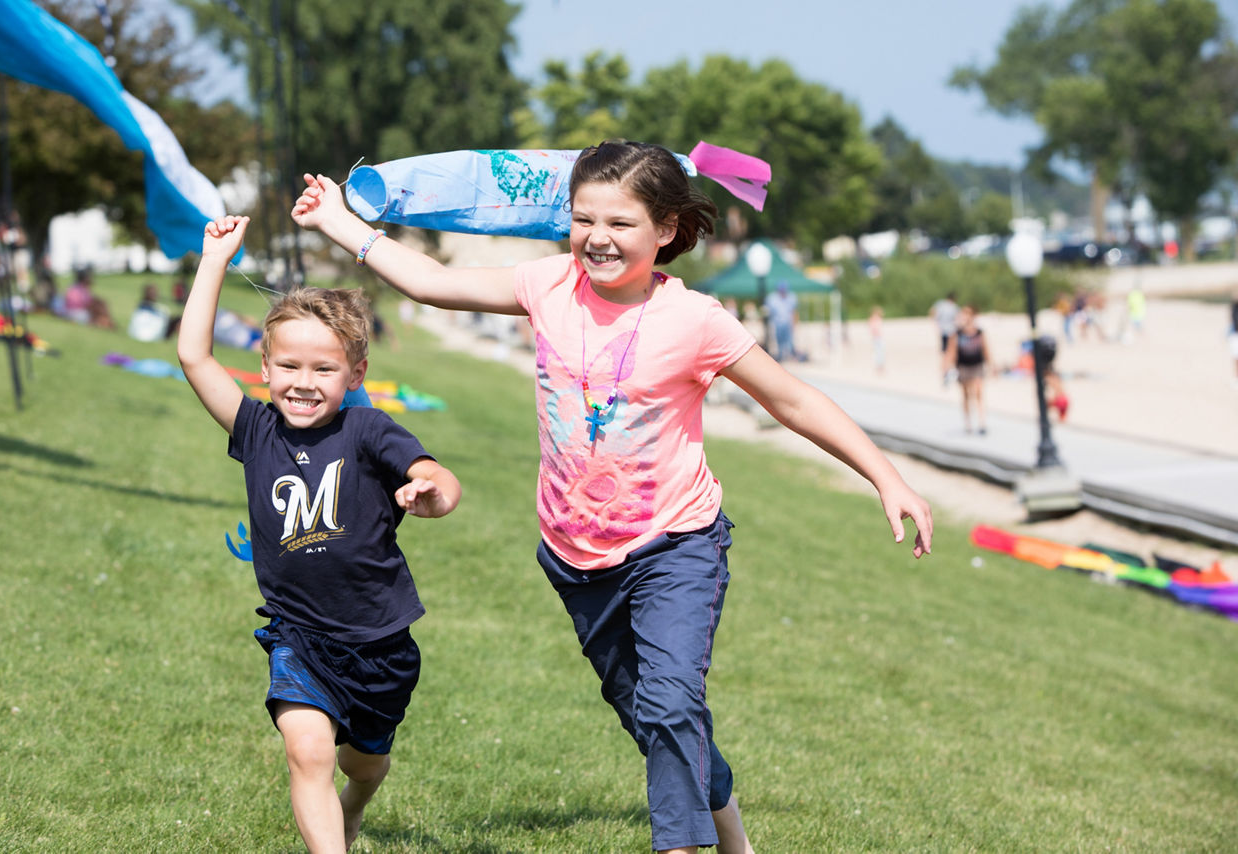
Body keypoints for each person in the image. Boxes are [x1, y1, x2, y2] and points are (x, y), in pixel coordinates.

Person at [291, 140, 933, 854]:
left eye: (620, 223)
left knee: (669, 705)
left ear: (664, 229)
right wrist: (340, 224)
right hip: (576, 559)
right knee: (653, 717)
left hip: (675, 545)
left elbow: (793, 401)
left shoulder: (696, 321)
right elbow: (433, 282)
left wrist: (886, 474)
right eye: (582, 219)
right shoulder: (549, 285)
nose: (596, 238)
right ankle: (737, 841)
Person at [176, 215, 462, 854]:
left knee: (363, 765)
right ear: (266, 365)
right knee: (307, 753)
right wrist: (214, 260)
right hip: (299, 636)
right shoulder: (255, 431)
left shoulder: (369, 431)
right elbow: (193, 355)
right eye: (290, 365)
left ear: (355, 373)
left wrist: (431, 494)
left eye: (324, 369)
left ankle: (356, 805)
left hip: (379, 642)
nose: (304, 381)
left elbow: (436, 474)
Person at [943, 304, 991, 435]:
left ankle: (982, 421)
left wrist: (991, 365)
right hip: (963, 366)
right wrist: (946, 368)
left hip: (977, 365)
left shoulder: (979, 332)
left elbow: (985, 349)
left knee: (978, 391)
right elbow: (951, 351)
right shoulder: (957, 333)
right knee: (966, 394)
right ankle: (968, 422)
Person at [764, 280, 800, 362]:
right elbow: (768, 312)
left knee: (789, 341)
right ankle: (781, 356)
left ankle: (789, 356)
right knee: (779, 341)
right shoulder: (772, 298)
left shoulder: (791, 297)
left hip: (788, 323)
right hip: (777, 323)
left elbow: (794, 312)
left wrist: (795, 324)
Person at [868, 304, 885, 374]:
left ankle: (879, 366)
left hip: (877, 337)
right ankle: (879, 366)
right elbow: (873, 328)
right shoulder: (874, 319)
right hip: (877, 337)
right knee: (879, 352)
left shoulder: (873, 319)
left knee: (878, 352)